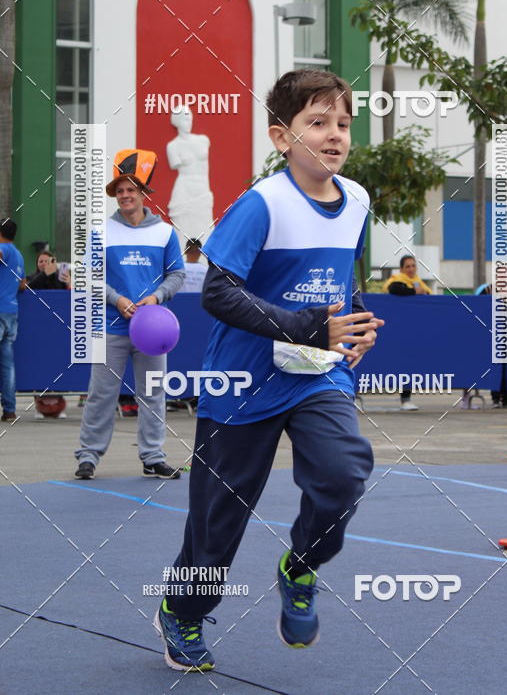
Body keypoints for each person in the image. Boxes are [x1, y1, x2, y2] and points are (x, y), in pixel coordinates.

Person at [154, 69, 384, 672]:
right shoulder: (261, 203)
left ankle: (300, 566)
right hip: (242, 383)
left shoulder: (358, 200)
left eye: (343, 124)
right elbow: (217, 293)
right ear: (282, 137)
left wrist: (357, 322)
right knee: (216, 528)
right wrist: (308, 326)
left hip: (318, 375)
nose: (334, 135)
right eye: (318, 122)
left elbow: (341, 282)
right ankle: (182, 611)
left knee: (343, 474)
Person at [74, 149, 185, 481]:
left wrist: (156, 297)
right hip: (111, 327)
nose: (124, 195)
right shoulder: (101, 231)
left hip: (153, 331)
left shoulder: (164, 232)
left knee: (153, 393)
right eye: (119, 190)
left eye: (130, 190)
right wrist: (117, 299)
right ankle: (88, 456)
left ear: (143, 193)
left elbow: (177, 274)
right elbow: (88, 276)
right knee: (101, 394)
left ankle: (153, 457)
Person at [383, 255, 432, 410]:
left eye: (413, 265)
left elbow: (428, 295)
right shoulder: (397, 280)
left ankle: (406, 399)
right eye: (408, 266)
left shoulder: (419, 282)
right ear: (402, 269)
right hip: (397, 328)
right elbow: (394, 289)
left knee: (410, 363)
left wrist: (421, 292)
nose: (411, 269)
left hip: (415, 330)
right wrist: (413, 291)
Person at [167, 106, 214, 251]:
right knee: (182, 231)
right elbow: (175, 164)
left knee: (206, 229)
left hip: (202, 188)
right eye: (184, 119)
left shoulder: (203, 140)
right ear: (177, 121)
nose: (188, 123)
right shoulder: (173, 146)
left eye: (189, 119)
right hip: (185, 188)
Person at [0, 219, 24, 422]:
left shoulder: (4, 250)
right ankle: (9, 410)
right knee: (7, 365)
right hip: (11, 311)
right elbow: (22, 284)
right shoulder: (18, 254)